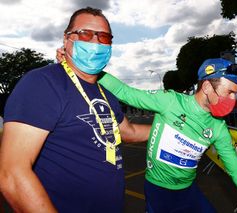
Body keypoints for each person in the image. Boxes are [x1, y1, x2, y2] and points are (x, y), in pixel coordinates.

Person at [0, 7, 150, 213]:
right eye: (85, 34)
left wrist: (175, 127)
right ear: (66, 39)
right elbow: (12, 174)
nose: (96, 42)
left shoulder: (105, 92)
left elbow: (129, 132)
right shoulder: (43, 83)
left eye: (104, 37)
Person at [99, 58, 237, 213]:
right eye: (229, 92)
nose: (233, 100)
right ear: (206, 87)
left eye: (235, 93)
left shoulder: (219, 129)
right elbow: (125, 92)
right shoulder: (171, 102)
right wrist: (87, 70)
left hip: (188, 192)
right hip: (158, 192)